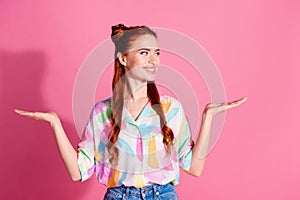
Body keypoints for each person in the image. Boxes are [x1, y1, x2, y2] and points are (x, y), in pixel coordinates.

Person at [15, 24, 247, 200]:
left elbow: (194, 168)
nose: (153, 60)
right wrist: (55, 123)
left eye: (157, 53)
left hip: (163, 195)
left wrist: (207, 117)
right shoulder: (102, 113)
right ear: (123, 58)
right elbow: (78, 172)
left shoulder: (171, 109)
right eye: (144, 52)